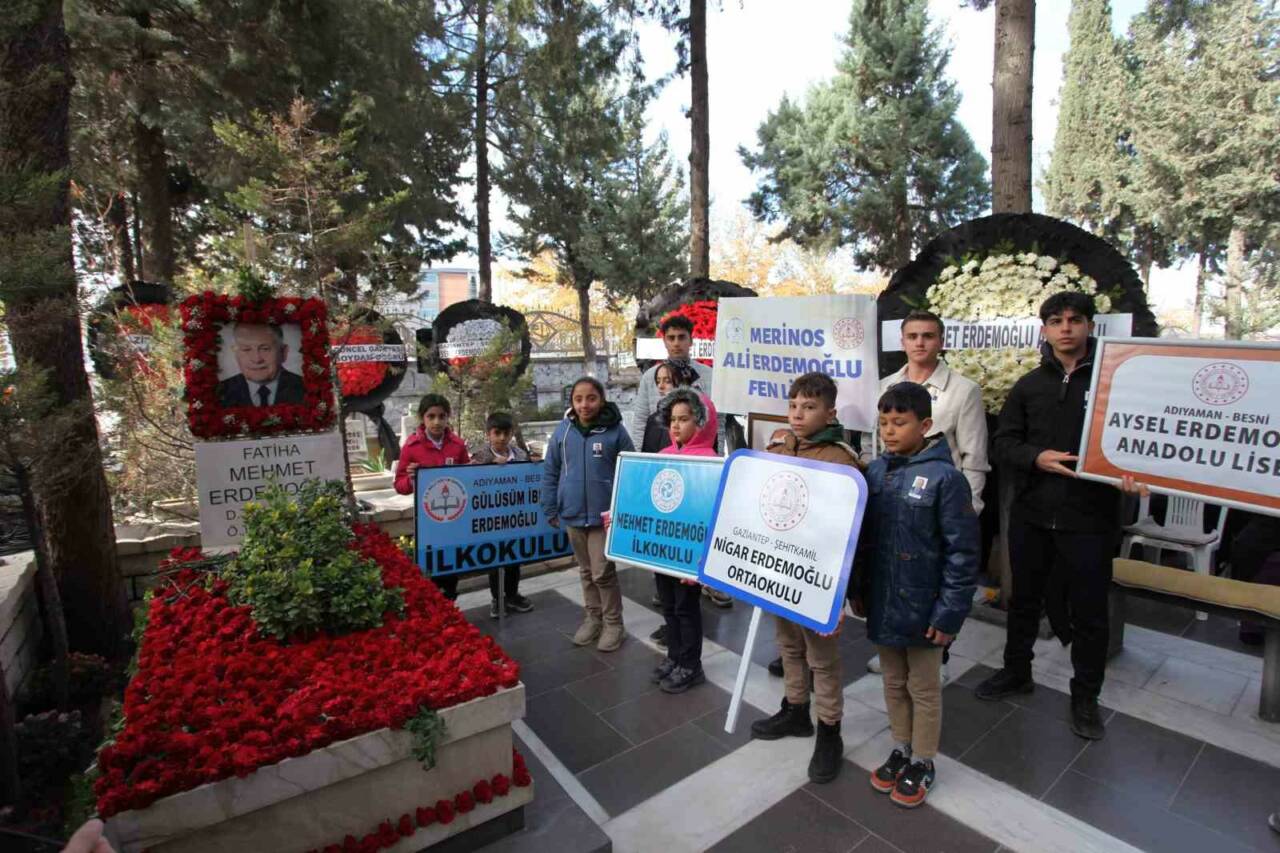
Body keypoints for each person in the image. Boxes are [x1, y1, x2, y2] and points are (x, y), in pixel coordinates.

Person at [974, 292, 1145, 741]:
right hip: (1031, 514)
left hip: (1090, 518)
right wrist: (1036, 457)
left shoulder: (1114, 385)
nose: (1065, 327)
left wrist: (1134, 475)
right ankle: (1017, 671)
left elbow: (1135, 445)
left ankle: (1085, 698)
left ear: (1089, 325)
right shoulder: (1029, 386)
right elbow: (1002, 444)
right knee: (1023, 601)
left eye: (1074, 319)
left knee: (1089, 612)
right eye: (1055, 320)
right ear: (1044, 330)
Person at [852, 382, 979, 808]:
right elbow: (864, 541)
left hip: (925, 609)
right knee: (892, 681)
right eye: (884, 422)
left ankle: (924, 760)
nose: (889, 431)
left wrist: (948, 616)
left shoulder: (947, 480)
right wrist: (858, 591)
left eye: (899, 422)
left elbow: (963, 554)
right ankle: (901, 748)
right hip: (885, 604)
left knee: (923, 688)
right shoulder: (874, 472)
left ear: (925, 425)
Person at [859, 309, 989, 681]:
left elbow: (974, 458)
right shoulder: (884, 385)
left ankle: (934, 658)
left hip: (938, 507)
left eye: (928, 336)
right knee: (895, 583)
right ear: (901, 341)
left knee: (931, 589)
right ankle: (894, 650)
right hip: (893, 504)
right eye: (912, 336)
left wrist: (969, 511)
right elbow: (876, 445)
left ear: (940, 340)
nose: (920, 342)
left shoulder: (964, 391)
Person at [749, 372, 863, 784]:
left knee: (823, 659)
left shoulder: (841, 460)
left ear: (830, 412)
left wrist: (841, 595)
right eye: (793, 405)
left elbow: (846, 533)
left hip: (817, 577)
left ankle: (829, 730)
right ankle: (796, 709)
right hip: (778, 568)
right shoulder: (778, 445)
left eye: (809, 407)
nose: (798, 414)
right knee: (788, 645)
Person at [542, 376, 634, 652]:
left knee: (602, 572)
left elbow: (630, 470)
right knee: (585, 571)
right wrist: (550, 505)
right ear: (571, 402)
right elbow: (551, 470)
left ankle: (614, 624)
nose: (585, 404)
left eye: (591, 398)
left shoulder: (615, 432)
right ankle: (593, 618)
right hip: (572, 512)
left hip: (602, 516)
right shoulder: (563, 431)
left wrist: (624, 508)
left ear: (601, 400)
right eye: (578, 399)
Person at [649, 387, 719, 692]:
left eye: (685, 419)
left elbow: (709, 513)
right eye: (673, 419)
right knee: (668, 606)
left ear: (701, 422)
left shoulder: (709, 461)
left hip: (687, 556)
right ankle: (675, 656)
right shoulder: (663, 455)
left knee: (685, 610)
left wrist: (701, 557)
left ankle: (691, 664)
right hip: (663, 552)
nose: (676, 425)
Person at [395, 393, 471, 600]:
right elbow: (399, 486)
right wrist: (412, 479)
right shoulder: (411, 448)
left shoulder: (458, 445)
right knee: (429, 572)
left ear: (448, 417)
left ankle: (450, 605)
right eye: (431, 416)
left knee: (450, 568)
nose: (437, 421)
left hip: (454, 519)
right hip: (427, 521)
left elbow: (467, 479)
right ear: (422, 418)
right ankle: (434, 611)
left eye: (442, 416)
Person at [471, 411, 536, 618]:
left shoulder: (519, 454)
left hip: (514, 518)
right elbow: (470, 479)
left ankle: (513, 595)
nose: (501, 438)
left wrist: (535, 464)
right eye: (496, 433)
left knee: (514, 558)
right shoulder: (479, 456)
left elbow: (530, 477)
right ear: (488, 433)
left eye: (506, 433)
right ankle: (497, 598)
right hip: (490, 519)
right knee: (495, 560)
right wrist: (491, 466)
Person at [216, 322, 306, 407]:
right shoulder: (219, 391)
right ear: (236, 354)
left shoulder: (306, 389)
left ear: (283, 352)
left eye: (265, 349)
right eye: (246, 349)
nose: (257, 359)